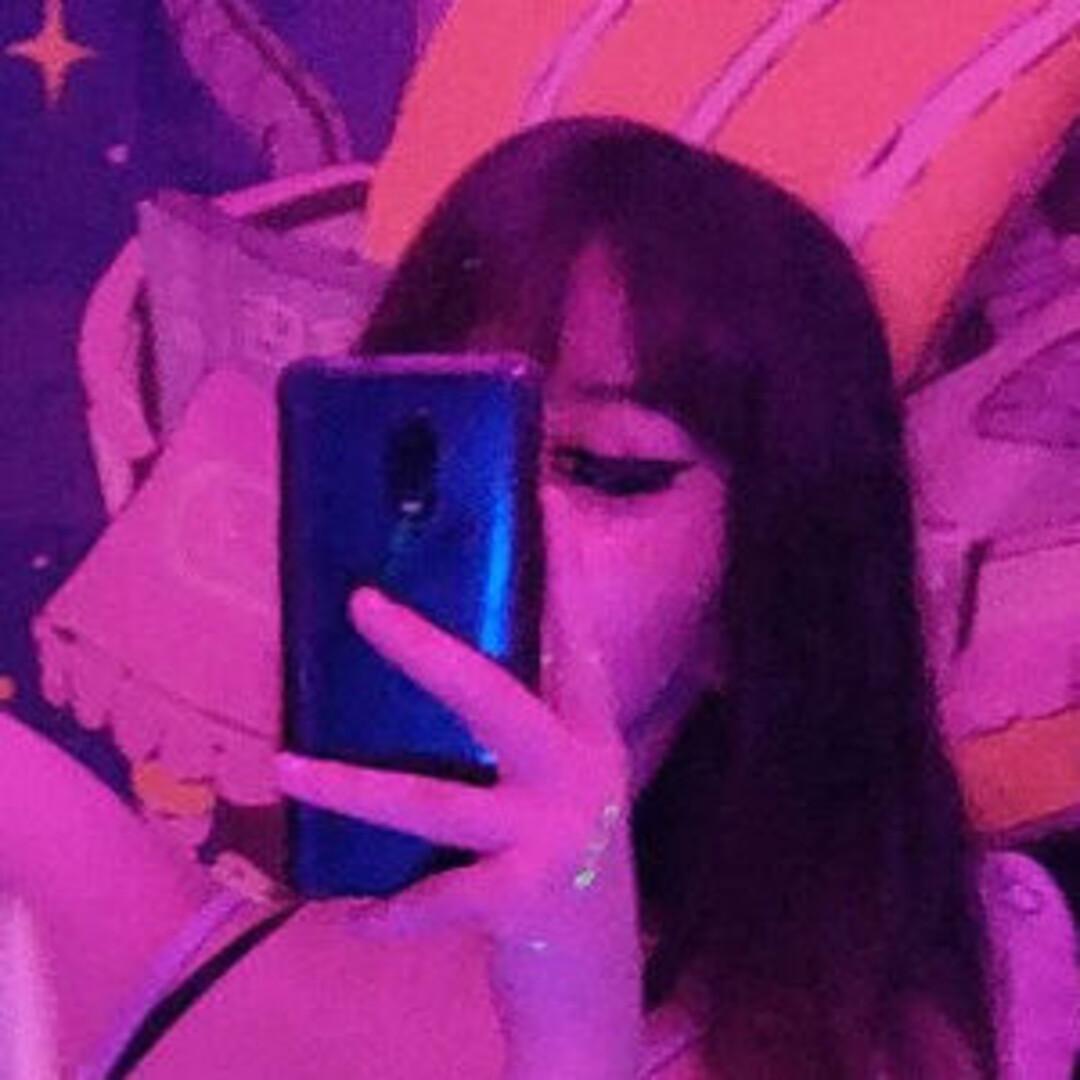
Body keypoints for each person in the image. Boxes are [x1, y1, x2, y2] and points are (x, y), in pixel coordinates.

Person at [1, 115, 1077, 1078]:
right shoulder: (145, 937)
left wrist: (573, 1004)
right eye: (430, 456)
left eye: (603, 467)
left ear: (756, 592)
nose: (496, 521)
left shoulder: (877, 1032)